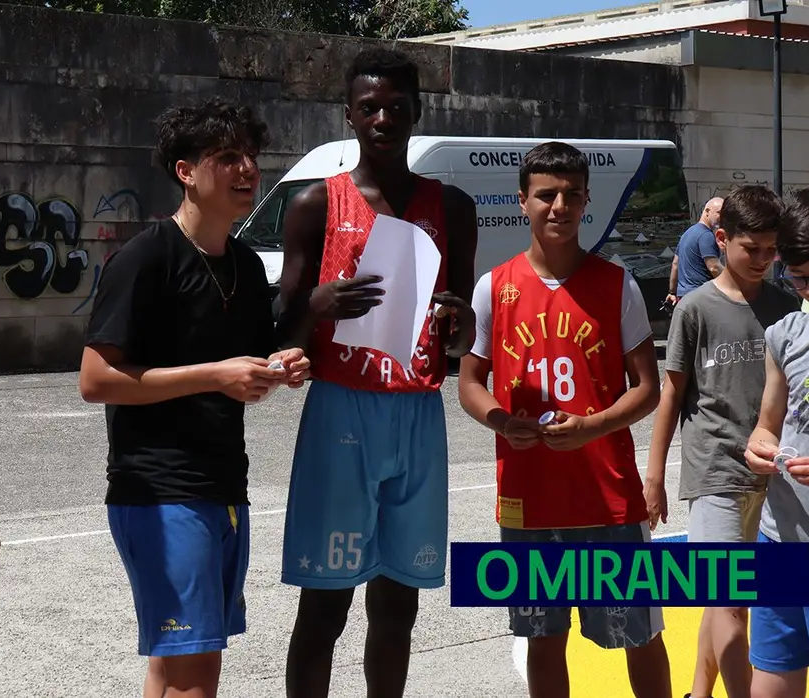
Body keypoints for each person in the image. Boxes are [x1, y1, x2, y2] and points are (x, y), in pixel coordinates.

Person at [79, 97, 310, 698]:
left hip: (224, 486)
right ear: (186, 171)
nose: (246, 170)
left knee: (176, 664)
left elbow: (249, 364)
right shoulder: (146, 257)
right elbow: (95, 379)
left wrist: (283, 365)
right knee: (195, 672)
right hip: (158, 490)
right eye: (227, 157)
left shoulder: (244, 264)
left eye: (251, 157)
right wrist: (214, 375)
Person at [273, 48, 478, 698]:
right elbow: (280, 333)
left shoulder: (453, 208)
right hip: (343, 411)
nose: (383, 118)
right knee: (325, 607)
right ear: (349, 115)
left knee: (398, 608)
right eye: (369, 108)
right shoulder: (315, 204)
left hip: (418, 412)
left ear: (417, 112)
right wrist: (316, 305)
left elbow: (463, 328)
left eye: (395, 107)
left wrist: (458, 325)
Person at [457, 141, 669, 698]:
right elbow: (469, 383)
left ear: (586, 201)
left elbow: (647, 387)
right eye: (546, 194)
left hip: (608, 496)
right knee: (543, 638)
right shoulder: (493, 287)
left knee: (639, 635)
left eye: (573, 194)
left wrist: (594, 426)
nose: (560, 206)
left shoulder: (616, 284)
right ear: (522, 200)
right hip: (529, 498)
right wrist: (502, 423)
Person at [645, 184, 797, 698]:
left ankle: (698, 689)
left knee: (727, 599)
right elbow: (671, 396)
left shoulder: (787, 305)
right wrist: (654, 476)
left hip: (777, 481)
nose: (762, 259)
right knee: (730, 598)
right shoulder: (696, 308)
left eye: (770, 250)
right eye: (750, 248)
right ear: (721, 237)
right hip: (715, 473)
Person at [744, 187, 809, 698]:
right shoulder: (783, 333)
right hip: (781, 538)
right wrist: (759, 446)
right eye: (800, 279)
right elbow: (769, 422)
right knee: (773, 670)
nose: (807, 290)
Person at [666, 197, 723, 306]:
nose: (723, 217)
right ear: (707, 212)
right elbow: (714, 267)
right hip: (701, 298)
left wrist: (672, 292)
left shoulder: (687, 234)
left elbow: (675, 264)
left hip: (683, 298)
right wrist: (733, 284)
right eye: (719, 213)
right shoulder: (706, 235)